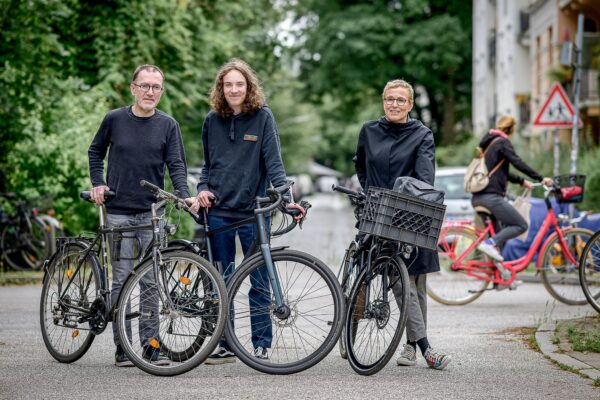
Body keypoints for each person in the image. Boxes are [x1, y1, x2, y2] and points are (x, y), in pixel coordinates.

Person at [194, 58, 304, 365]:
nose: (233, 89)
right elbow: (207, 167)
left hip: (255, 212)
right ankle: (226, 343)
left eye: (239, 84)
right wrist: (202, 187)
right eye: (228, 85)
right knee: (222, 280)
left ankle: (261, 344)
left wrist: (286, 199)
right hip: (218, 212)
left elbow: (275, 164)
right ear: (221, 88)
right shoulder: (211, 120)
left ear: (248, 86)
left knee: (259, 280)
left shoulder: (263, 118)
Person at [88, 64, 192, 367]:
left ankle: (150, 346)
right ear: (133, 88)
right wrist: (98, 182)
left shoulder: (168, 125)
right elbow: (95, 152)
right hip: (119, 212)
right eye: (144, 86)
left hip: (152, 213)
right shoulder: (114, 119)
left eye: (156, 87)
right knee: (121, 279)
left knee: (150, 281)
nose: (150, 92)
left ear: (161, 91)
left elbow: (177, 164)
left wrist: (183, 194)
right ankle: (123, 347)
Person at [354, 79, 451, 370]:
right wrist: (371, 193)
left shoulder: (422, 135)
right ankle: (351, 333)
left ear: (410, 104)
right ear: (383, 102)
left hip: (410, 216)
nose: (394, 104)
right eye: (389, 99)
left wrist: (399, 202)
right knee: (365, 276)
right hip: (375, 214)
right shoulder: (369, 131)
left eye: (400, 100)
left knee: (413, 284)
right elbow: (360, 164)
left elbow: (424, 179)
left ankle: (412, 347)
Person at [472, 115, 553, 268]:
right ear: (512, 129)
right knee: (520, 225)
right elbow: (517, 162)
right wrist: (541, 178)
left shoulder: (489, 143)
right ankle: (490, 243)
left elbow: (501, 172)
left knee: (499, 239)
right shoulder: (502, 142)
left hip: (479, 197)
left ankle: (499, 276)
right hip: (491, 197)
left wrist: (522, 181)